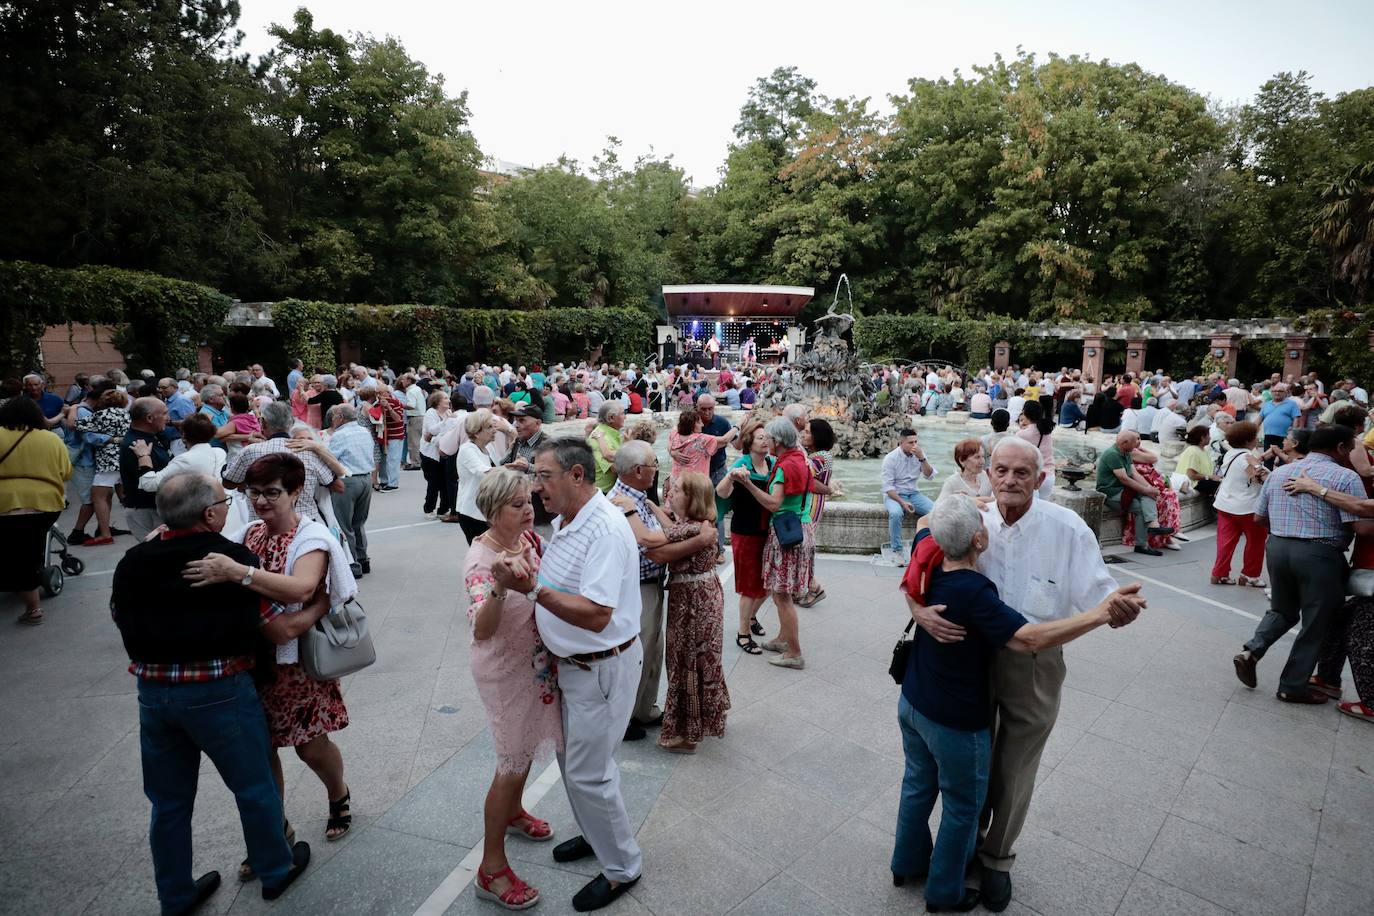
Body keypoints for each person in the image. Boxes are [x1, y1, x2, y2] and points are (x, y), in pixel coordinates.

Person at [909, 437, 1145, 911]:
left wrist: (1119, 608)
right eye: (1002, 470)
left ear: (1040, 478)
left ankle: (997, 859)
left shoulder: (1067, 527)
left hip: (1035, 664)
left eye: (1022, 472)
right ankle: (967, 848)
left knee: (1014, 768)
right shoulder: (971, 520)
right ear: (988, 472)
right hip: (970, 660)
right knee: (973, 762)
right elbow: (918, 561)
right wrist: (916, 608)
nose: (1010, 481)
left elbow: (1101, 594)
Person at [112, 473, 315, 910]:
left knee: (168, 801)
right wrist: (318, 605)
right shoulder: (227, 559)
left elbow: (119, 615)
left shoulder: (133, 561)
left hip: (154, 693)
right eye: (225, 501)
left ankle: (175, 895)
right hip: (220, 690)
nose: (230, 507)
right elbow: (275, 626)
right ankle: (275, 870)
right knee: (253, 785)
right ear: (209, 514)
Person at [184, 453, 357, 878]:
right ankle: (272, 831)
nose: (261, 501)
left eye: (272, 493)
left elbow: (302, 586)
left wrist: (238, 573)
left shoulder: (311, 536)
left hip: (295, 665)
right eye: (254, 492)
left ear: (297, 493)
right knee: (261, 752)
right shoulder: (249, 533)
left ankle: (338, 793)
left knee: (309, 745)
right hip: (249, 661)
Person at [489, 439, 644, 912]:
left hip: (600, 667)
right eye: (535, 476)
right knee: (571, 765)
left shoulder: (605, 530)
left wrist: (532, 590)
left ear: (577, 476)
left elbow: (597, 614)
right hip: (574, 668)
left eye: (544, 476)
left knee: (590, 773)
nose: (537, 487)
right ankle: (598, 837)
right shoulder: (570, 519)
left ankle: (622, 868)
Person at [463, 470, 563, 910]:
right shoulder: (481, 562)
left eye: (529, 501)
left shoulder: (526, 540)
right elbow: (482, 629)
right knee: (511, 759)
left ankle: (516, 812)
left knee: (523, 751)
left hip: (533, 665)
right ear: (492, 512)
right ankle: (491, 868)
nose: (529, 509)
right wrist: (501, 585)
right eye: (518, 505)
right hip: (504, 671)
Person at [1233, 425, 1371, 703]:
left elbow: (1259, 518)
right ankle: (1292, 686)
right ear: (1341, 448)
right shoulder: (1345, 477)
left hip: (1278, 547)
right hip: (1320, 554)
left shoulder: (1281, 473)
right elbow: (1363, 528)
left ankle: (1252, 650)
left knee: (1282, 609)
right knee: (1316, 621)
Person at [616, 471, 729, 753]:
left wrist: (630, 508)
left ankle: (686, 736)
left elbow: (649, 542)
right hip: (701, 595)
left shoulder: (694, 529)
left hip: (692, 603)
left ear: (691, 498)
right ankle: (703, 719)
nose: (671, 493)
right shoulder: (696, 524)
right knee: (701, 657)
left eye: (677, 490)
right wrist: (652, 505)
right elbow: (674, 528)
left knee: (685, 658)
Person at [730, 417, 811, 669]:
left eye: (770, 438)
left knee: (782, 596)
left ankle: (794, 653)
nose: (768, 441)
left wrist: (747, 484)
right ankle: (783, 639)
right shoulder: (800, 459)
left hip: (785, 533)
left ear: (779, 440)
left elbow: (774, 503)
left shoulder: (784, 467)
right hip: (801, 527)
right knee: (779, 593)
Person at [0, 396, 72, 625]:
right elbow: (65, 473)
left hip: (3, 503)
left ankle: (18, 585)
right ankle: (33, 609)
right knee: (31, 550)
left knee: (12, 551)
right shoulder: (51, 440)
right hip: (44, 504)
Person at [223, 402, 341, 524]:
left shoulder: (250, 451)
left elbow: (229, 482)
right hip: (304, 524)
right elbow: (335, 484)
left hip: (264, 525)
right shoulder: (308, 451)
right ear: (291, 423)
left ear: (263, 422)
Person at [716, 419, 774, 654]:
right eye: (760, 438)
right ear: (749, 443)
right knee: (749, 586)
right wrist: (732, 476)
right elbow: (720, 492)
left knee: (768, 584)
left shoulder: (771, 463)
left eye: (766, 437)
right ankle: (742, 633)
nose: (765, 441)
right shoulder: (742, 464)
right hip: (746, 532)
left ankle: (751, 618)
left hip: (766, 531)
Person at [1095, 430, 1175, 556]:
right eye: (1134, 442)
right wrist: (1146, 490)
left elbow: (1134, 474)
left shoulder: (1126, 452)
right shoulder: (1112, 454)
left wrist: (1149, 488)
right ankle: (1145, 540)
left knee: (1146, 498)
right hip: (1110, 492)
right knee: (1142, 503)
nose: (1137, 445)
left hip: (1122, 490)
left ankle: (1149, 532)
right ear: (1125, 443)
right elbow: (1124, 479)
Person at [325, 403, 376, 578]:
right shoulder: (364, 431)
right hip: (365, 478)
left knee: (344, 524)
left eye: (334, 415)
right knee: (359, 522)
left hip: (348, 480)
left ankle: (352, 564)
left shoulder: (340, 435)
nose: (332, 419)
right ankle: (363, 559)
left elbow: (330, 458)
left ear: (341, 417)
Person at [132, 412, 225, 497]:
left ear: (184, 436)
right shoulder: (220, 452)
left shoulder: (185, 460)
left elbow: (149, 484)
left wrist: (144, 457)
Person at [119, 396, 173, 543]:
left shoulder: (152, 436)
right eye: (164, 413)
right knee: (157, 553)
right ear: (149, 418)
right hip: (146, 509)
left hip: (157, 506)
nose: (168, 418)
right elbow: (147, 483)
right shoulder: (136, 444)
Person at [501, 404, 556, 538]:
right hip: (519, 511)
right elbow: (503, 463)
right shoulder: (518, 441)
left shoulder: (548, 444)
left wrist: (528, 468)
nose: (516, 425)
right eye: (515, 420)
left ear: (537, 423)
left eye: (522, 420)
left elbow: (553, 473)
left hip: (541, 513)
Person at [882, 429, 936, 562]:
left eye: (916, 442)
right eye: (910, 442)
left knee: (936, 512)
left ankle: (930, 548)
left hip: (914, 494)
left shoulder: (920, 454)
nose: (914, 445)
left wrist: (922, 458)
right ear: (901, 442)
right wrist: (902, 502)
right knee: (895, 513)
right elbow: (888, 488)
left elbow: (930, 476)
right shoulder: (890, 458)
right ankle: (897, 550)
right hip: (895, 495)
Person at [455, 409, 499, 544]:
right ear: (476, 432)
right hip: (472, 512)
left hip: (485, 511)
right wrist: (510, 469)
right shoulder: (467, 449)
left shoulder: (488, 448)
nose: (495, 430)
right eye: (489, 427)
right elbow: (484, 472)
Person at [420, 392, 458, 519]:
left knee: (444, 483)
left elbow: (448, 431)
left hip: (443, 452)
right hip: (430, 454)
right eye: (445, 398)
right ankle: (428, 509)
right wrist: (446, 422)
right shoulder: (431, 412)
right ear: (437, 401)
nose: (448, 400)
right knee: (434, 482)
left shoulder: (448, 413)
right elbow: (431, 430)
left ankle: (443, 509)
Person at [1015, 401, 1056, 498]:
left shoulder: (1022, 434)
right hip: (1049, 476)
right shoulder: (1047, 432)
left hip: (1033, 477)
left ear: (1025, 413)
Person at [588, 401, 625, 493]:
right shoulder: (598, 437)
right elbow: (615, 469)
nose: (625, 417)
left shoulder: (610, 433)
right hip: (603, 492)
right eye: (622, 413)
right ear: (611, 418)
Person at [1176, 424, 1219, 497]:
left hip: (1200, 482)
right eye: (1208, 435)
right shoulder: (1193, 451)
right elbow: (1191, 475)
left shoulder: (1203, 450)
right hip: (1191, 484)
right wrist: (1209, 477)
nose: (1210, 437)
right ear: (1202, 438)